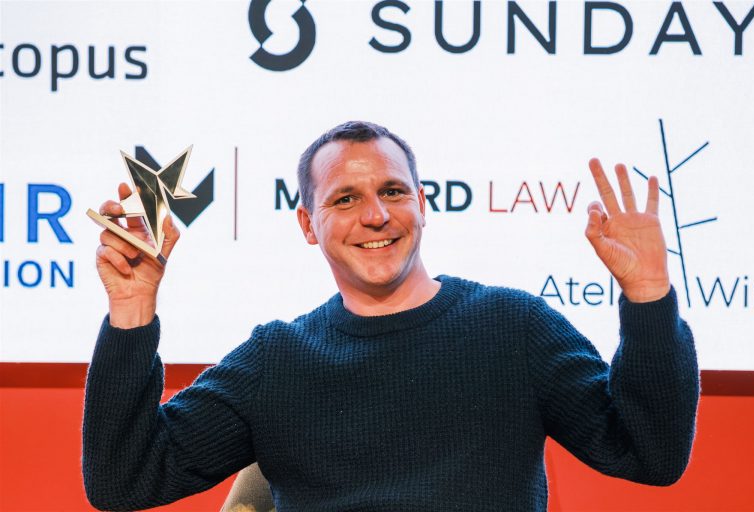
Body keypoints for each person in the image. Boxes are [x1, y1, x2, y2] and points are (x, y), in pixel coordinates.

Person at [82, 121, 698, 511]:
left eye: (393, 191)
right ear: (308, 225)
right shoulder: (277, 360)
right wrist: (131, 313)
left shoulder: (514, 328)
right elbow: (123, 480)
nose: (375, 215)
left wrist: (649, 297)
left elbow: (650, 454)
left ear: (422, 205)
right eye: (345, 198)